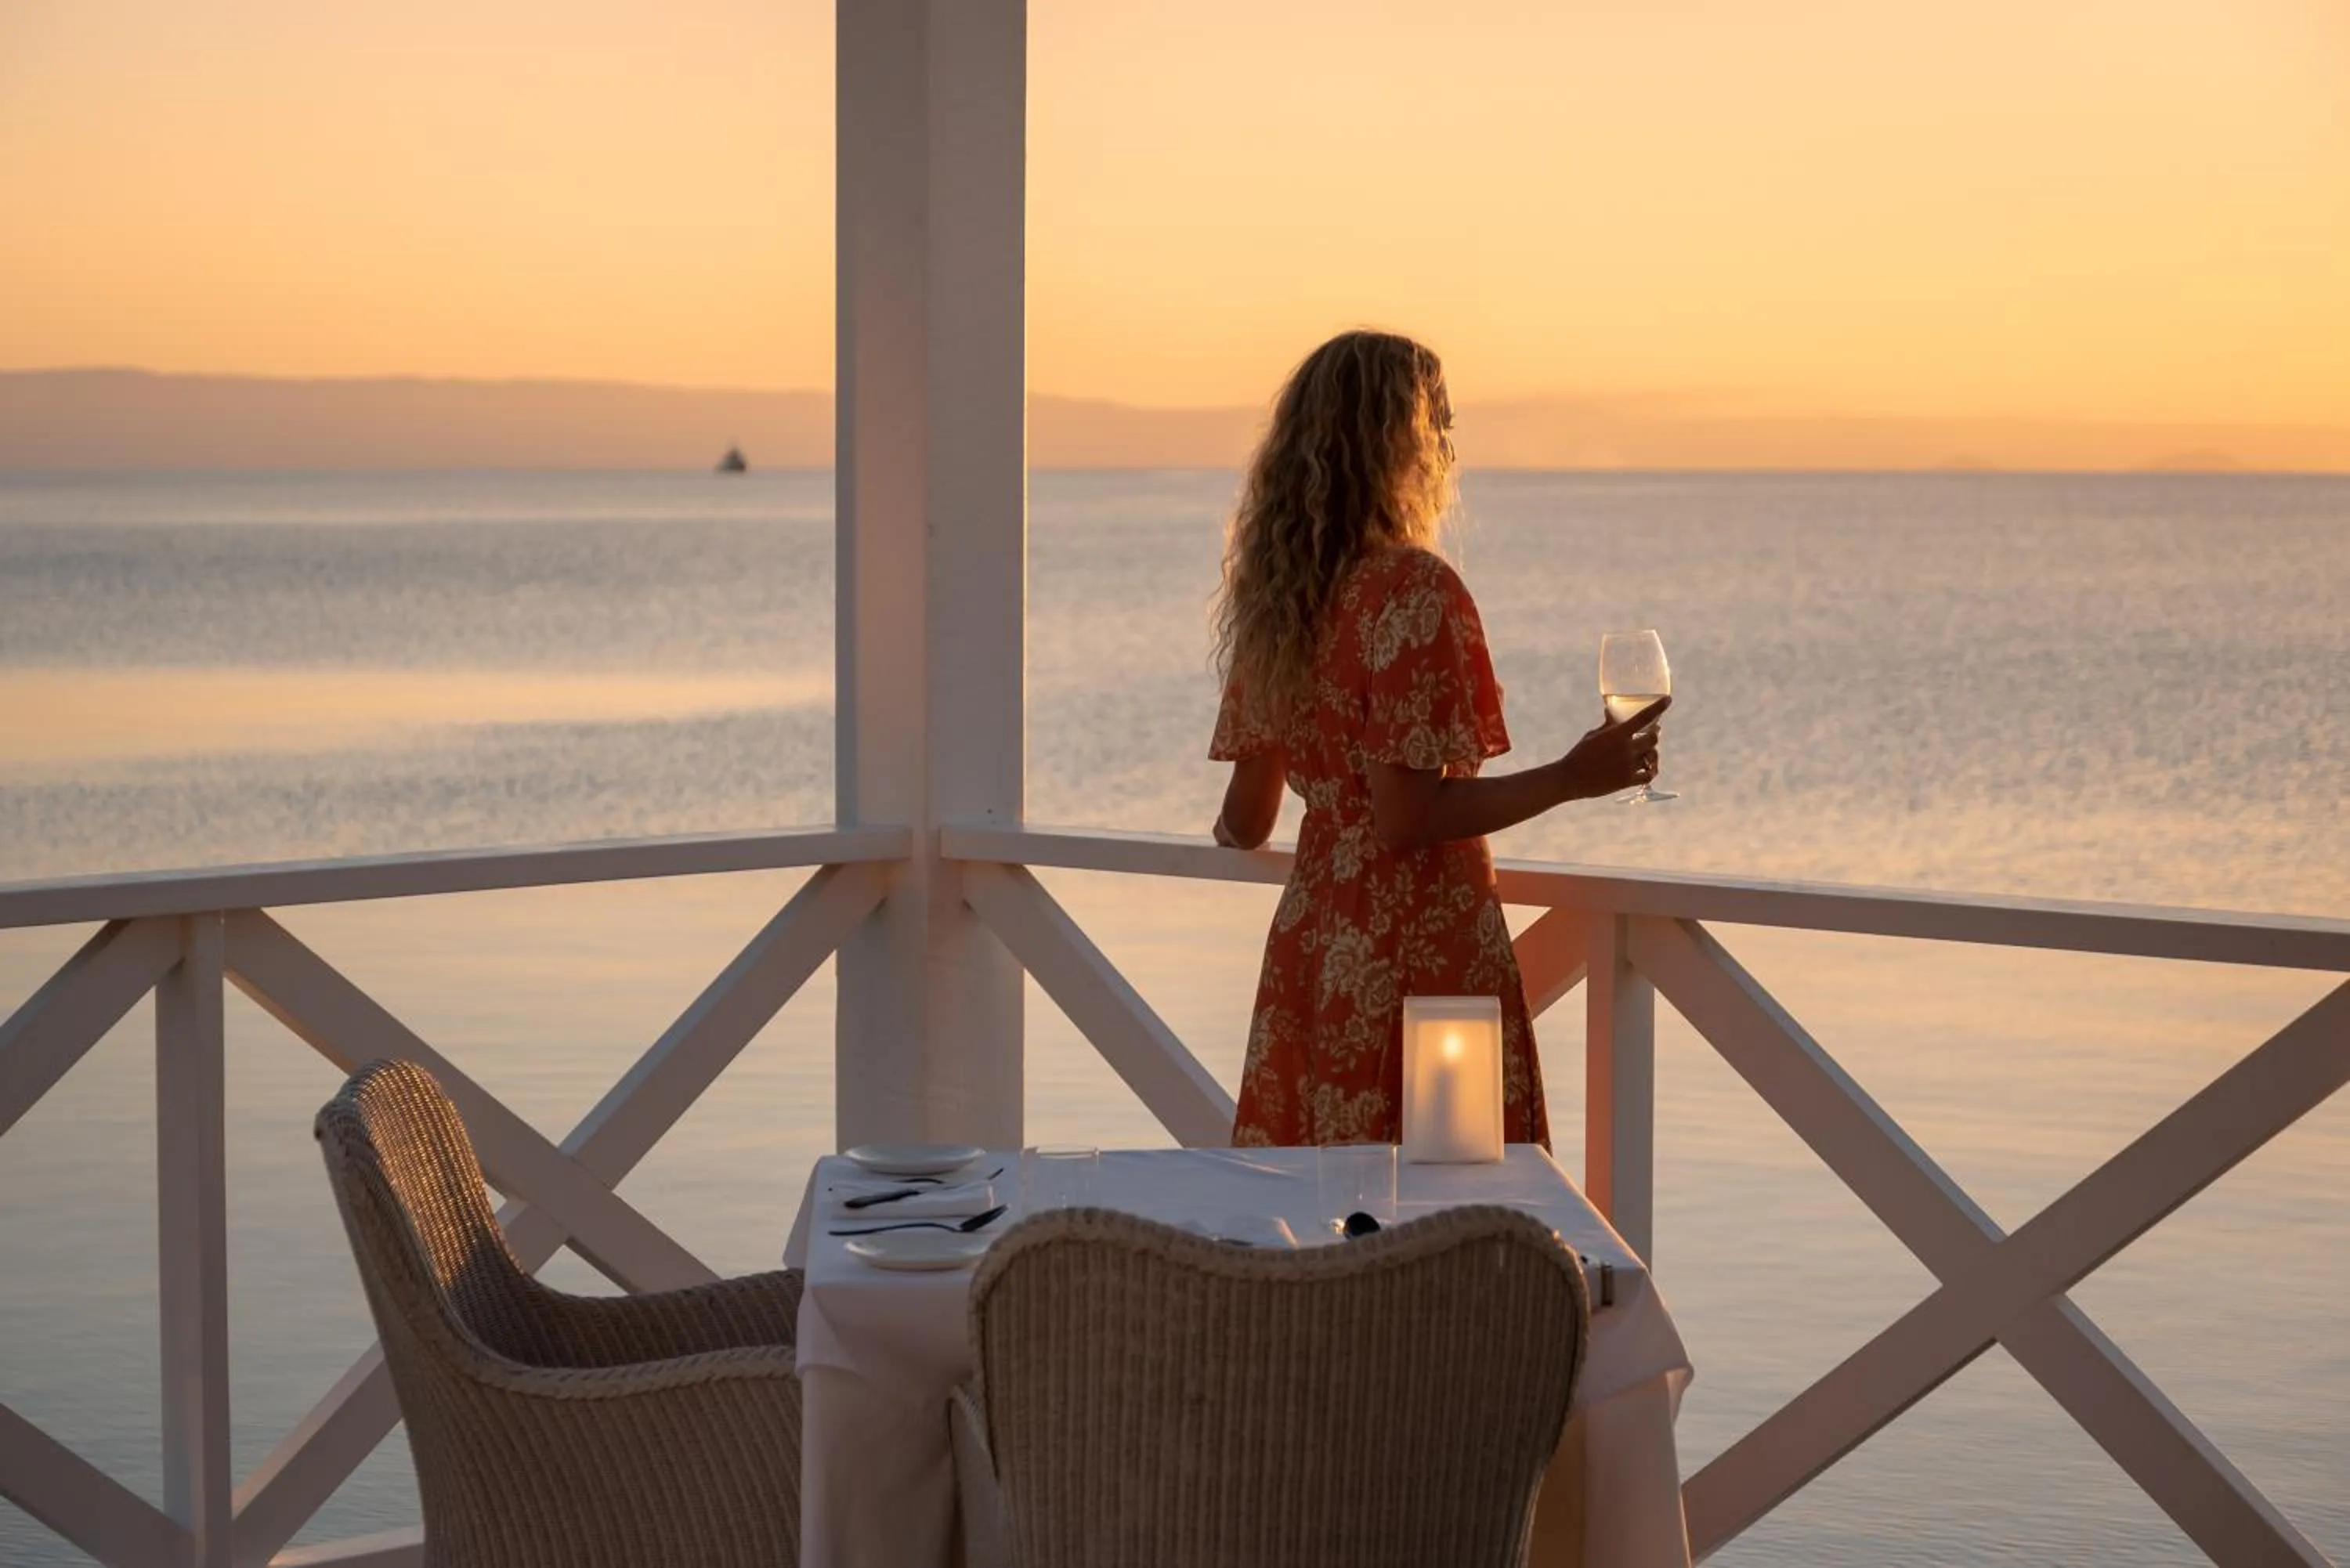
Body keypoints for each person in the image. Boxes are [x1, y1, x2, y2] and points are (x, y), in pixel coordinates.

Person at [1209, 330, 1668, 1147]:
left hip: (1314, 946)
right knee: (1441, 1208)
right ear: (1400, 441)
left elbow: (1245, 820)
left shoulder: (1281, 602)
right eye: (1438, 423)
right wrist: (1572, 775)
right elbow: (1406, 815)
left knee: (1316, 1208)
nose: (1446, 445)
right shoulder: (1414, 589)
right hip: (1414, 952)